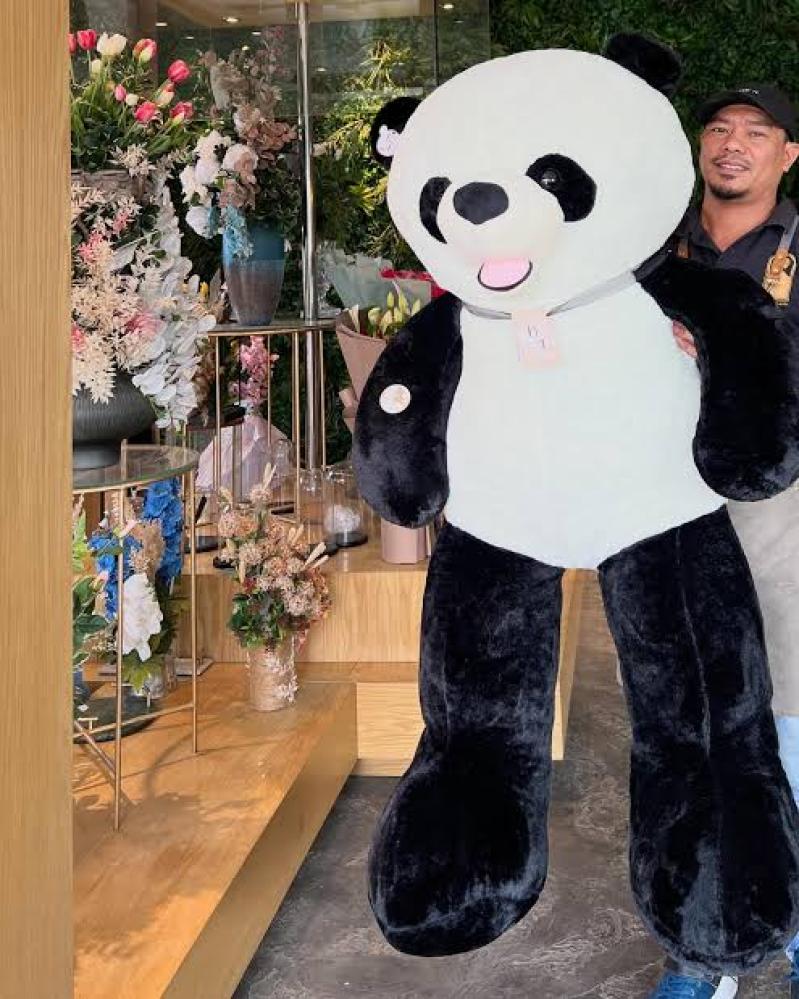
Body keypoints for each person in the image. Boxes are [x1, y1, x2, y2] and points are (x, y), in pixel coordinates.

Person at [647, 84, 799, 999]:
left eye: (755, 132)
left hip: (778, 513)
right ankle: (702, 952)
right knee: (689, 731)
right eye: (717, 129)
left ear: (786, 155)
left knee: (784, 730)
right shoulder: (652, 246)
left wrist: (727, 350)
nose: (731, 144)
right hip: (664, 511)